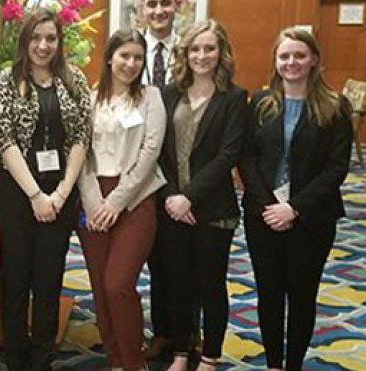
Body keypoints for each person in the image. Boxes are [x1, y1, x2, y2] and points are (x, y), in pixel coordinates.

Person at [238, 28, 352, 371]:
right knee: (269, 295)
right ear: (275, 60)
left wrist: (294, 208)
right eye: (284, 56)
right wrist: (269, 205)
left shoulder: (334, 106)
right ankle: (274, 363)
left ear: (314, 59)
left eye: (299, 55)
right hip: (263, 216)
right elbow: (247, 158)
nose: (292, 62)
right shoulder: (260, 103)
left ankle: (294, 365)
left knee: (302, 296)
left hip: (312, 219)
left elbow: (336, 169)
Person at [0, 8, 92, 371]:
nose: (43, 45)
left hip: (60, 194)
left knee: (49, 278)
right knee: (16, 278)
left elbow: (82, 136)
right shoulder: (6, 79)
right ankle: (16, 357)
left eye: (50, 38)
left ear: (59, 41)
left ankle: (41, 356)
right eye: (36, 37)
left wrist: (61, 194)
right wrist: (35, 195)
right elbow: (5, 140)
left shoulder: (74, 79)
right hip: (18, 194)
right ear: (25, 40)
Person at [157, 20, 247, 371]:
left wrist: (188, 197)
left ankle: (209, 355)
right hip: (172, 206)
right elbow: (158, 153)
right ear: (185, 53)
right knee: (177, 281)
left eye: (209, 48)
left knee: (211, 285)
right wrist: (171, 197)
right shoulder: (168, 93)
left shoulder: (234, 98)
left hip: (212, 208)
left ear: (221, 52)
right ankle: (181, 351)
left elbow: (228, 155)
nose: (202, 55)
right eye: (195, 48)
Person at [76, 29, 166, 371]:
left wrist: (116, 201)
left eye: (137, 57)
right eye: (124, 55)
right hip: (92, 197)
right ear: (110, 57)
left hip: (135, 198)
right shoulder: (89, 97)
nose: (130, 63)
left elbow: (150, 152)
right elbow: (80, 153)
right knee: (100, 287)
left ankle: (133, 362)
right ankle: (114, 359)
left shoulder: (150, 97)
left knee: (118, 284)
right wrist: (93, 202)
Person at [134, 0, 180, 358]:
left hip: (179, 172)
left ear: (177, 5)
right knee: (146, 257)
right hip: (136, 171)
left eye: (166, 2)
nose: (159, 10)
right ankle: (160, 331)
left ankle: (181, 333)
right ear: (140, 8)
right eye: (151, 3)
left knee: (178, 259)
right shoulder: (130, 50)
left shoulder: (191, 49)